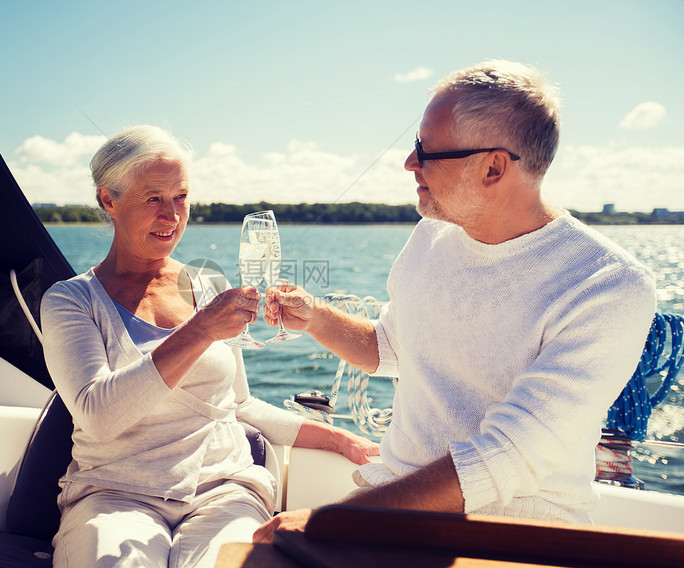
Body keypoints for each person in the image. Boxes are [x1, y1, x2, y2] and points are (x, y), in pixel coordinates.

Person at [254, 60, 656, 542]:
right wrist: (316, 318)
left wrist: (333, 519)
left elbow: (507, 453)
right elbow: (391, 349)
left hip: (511, 534)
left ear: (493, 167)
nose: (409, 163)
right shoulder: (431, 236)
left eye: (426, 150)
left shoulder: (607, 284)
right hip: (392, 510)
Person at [40, 125, 378, 568]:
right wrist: (200, 330)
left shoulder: (206, 284)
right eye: (152, 198)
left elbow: (241, 405)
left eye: (180, 197)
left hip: (224, 493)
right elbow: (100, 416)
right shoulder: (71, 300)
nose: (171, 215)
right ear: (109, 200)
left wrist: (337, 438)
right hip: (114, 497)